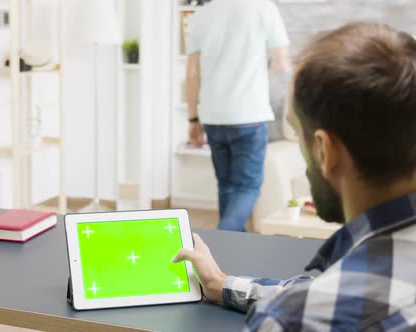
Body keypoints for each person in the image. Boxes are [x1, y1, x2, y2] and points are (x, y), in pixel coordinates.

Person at [174, 22, 416, 330]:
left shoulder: (291, 321)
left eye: (298, 130)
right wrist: (221, 284)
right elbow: (330, 292)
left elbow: (319, 304)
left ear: (325, 151)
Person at [186, 0, 292, 231]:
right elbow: (281, 64)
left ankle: (228, 256)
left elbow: (192, 74)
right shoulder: (263, 8)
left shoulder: (200, 16)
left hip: (212, 116)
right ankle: (221, 241)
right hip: (249, 114)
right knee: (247, 187)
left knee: (227, 186)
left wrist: (193, 119)